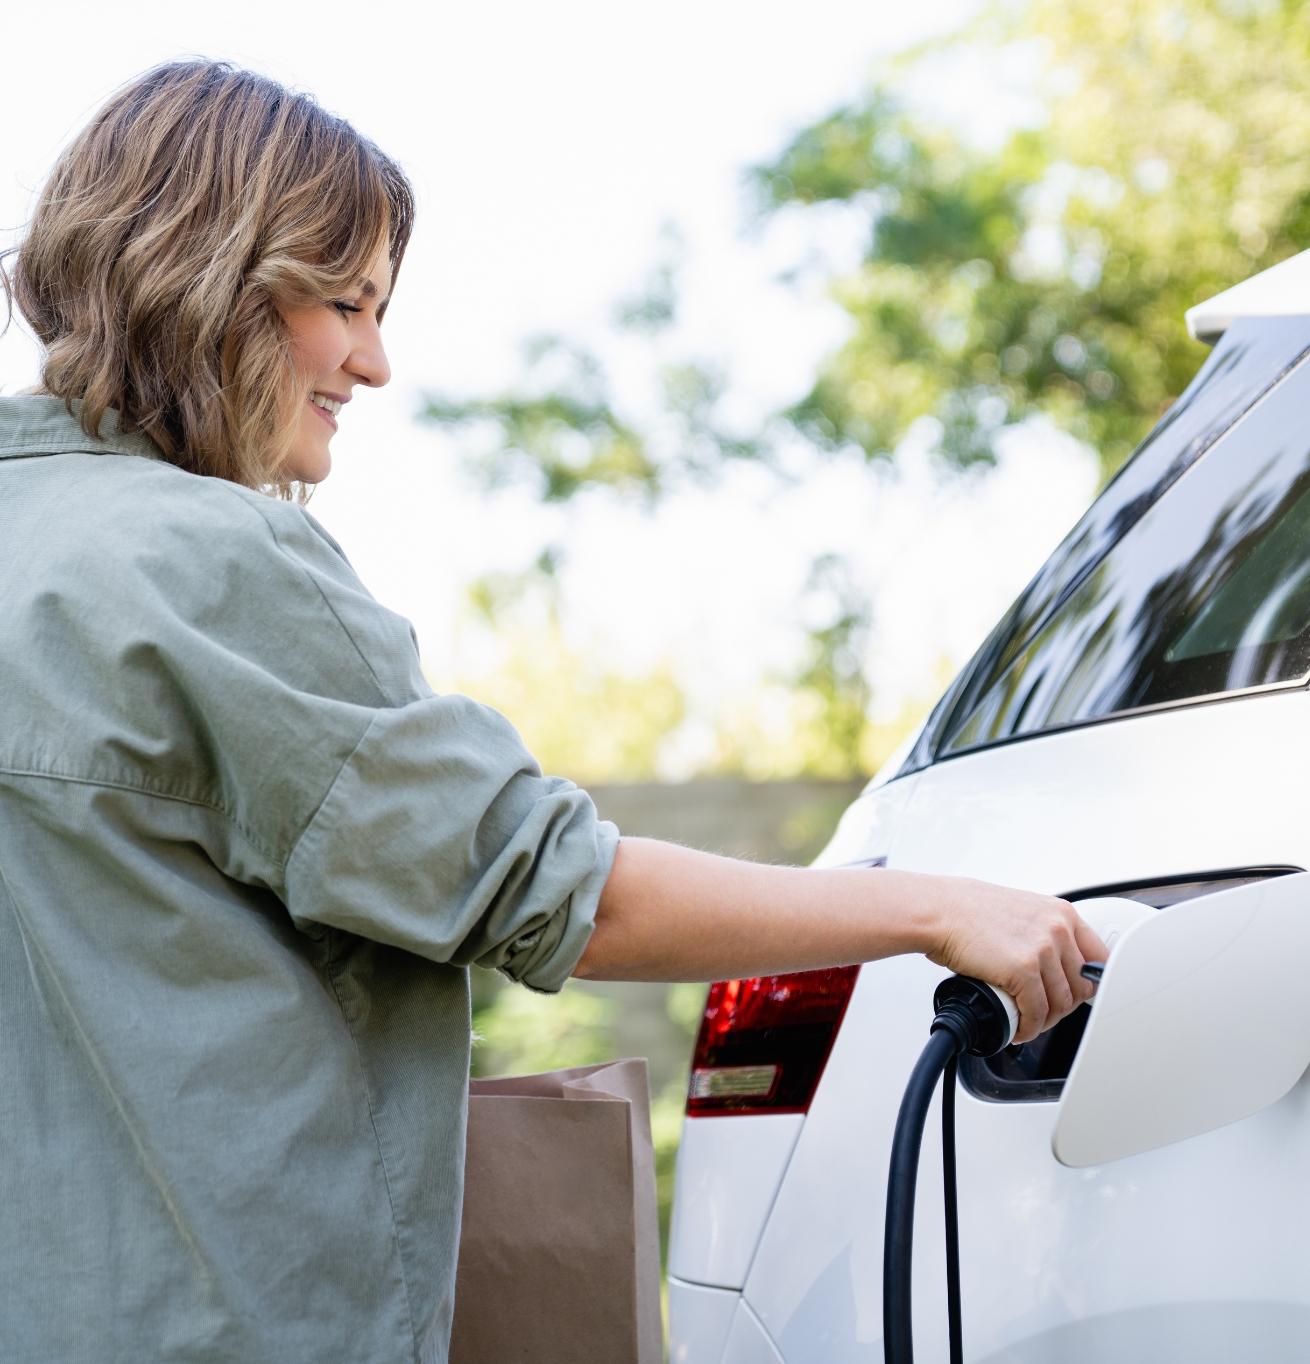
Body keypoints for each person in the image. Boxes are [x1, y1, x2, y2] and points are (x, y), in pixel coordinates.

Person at [0, 59, 1107, 1364]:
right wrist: (937, 907)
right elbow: (571, 899)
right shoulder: (209, 568)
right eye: (345, 303)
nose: (373, 360)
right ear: (216, 276)